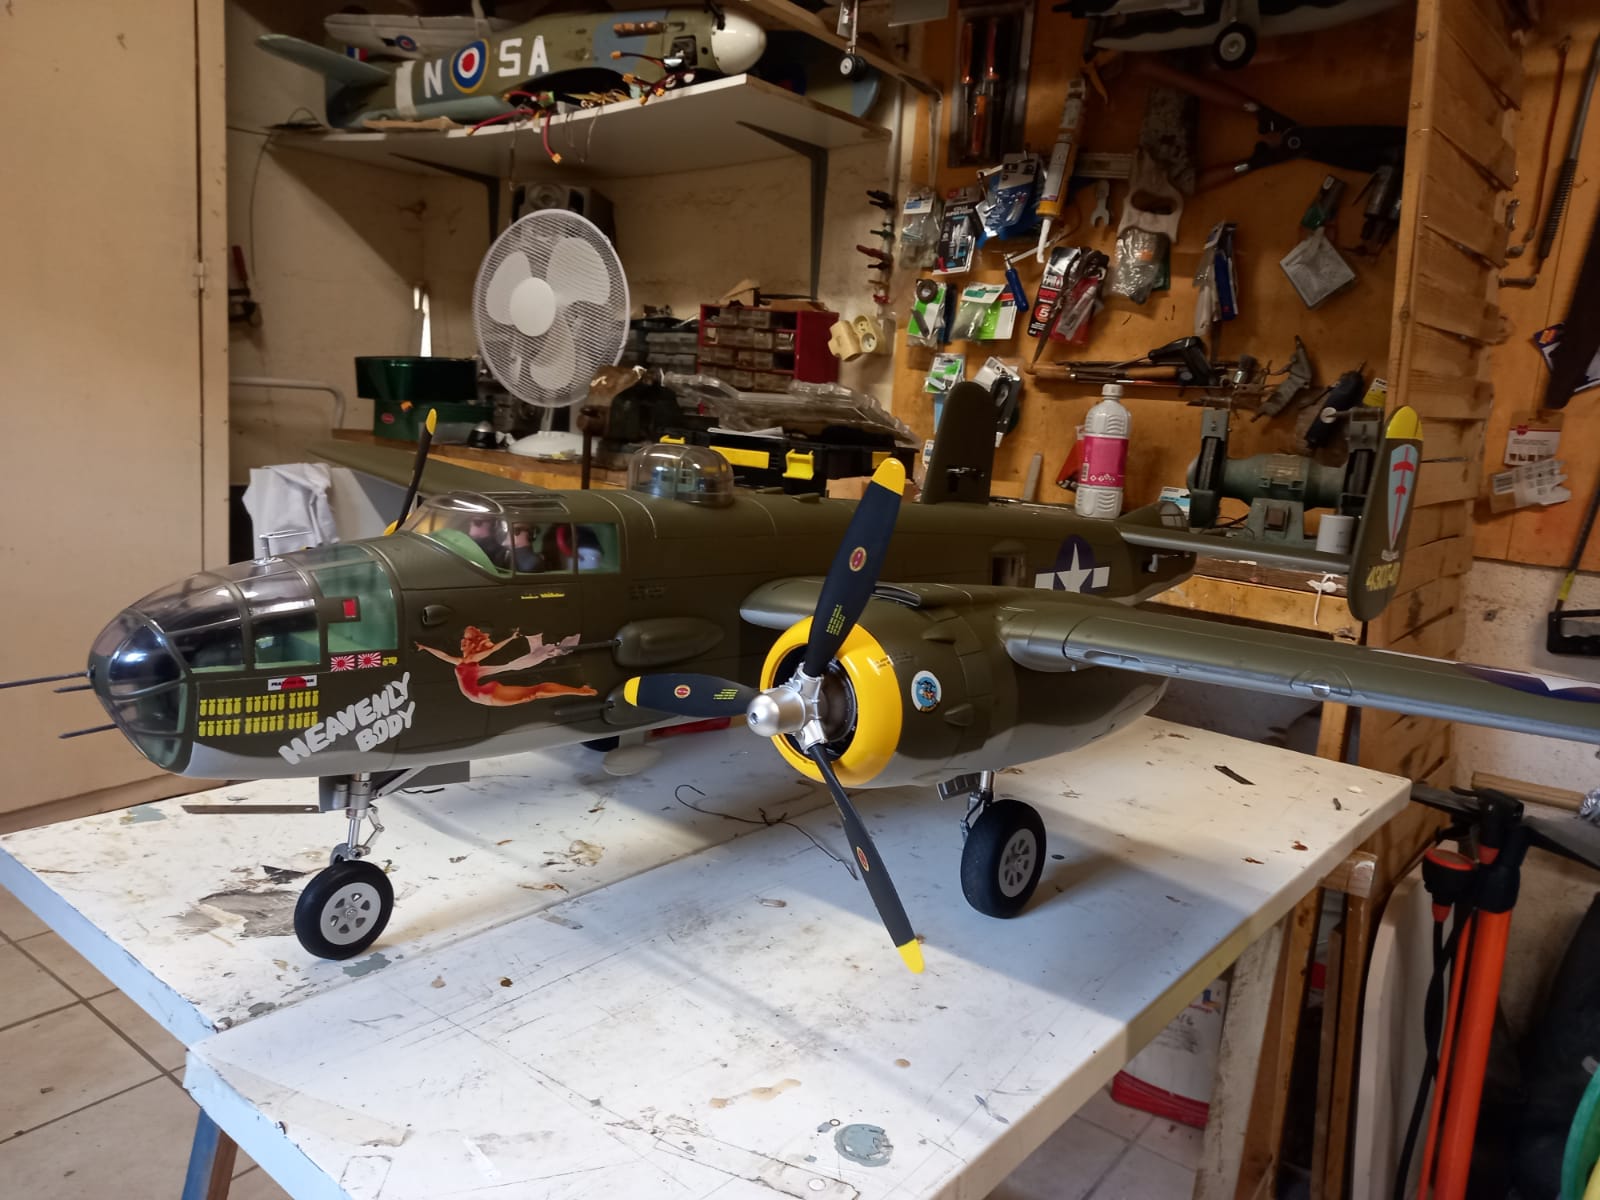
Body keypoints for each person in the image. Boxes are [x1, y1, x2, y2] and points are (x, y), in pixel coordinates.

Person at [415, 626, 597, 707]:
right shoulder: (460, 661)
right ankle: (580, 690)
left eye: (468, 640)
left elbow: (494, 649)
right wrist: (425, 647)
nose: (463, 642)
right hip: (480, 695)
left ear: (475, 644)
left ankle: (581, 691)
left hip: (484, 694)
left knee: (535, 692)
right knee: (533, 689)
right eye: (464, 639)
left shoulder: (474, 659)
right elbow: (443, 655)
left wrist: (511, 638)